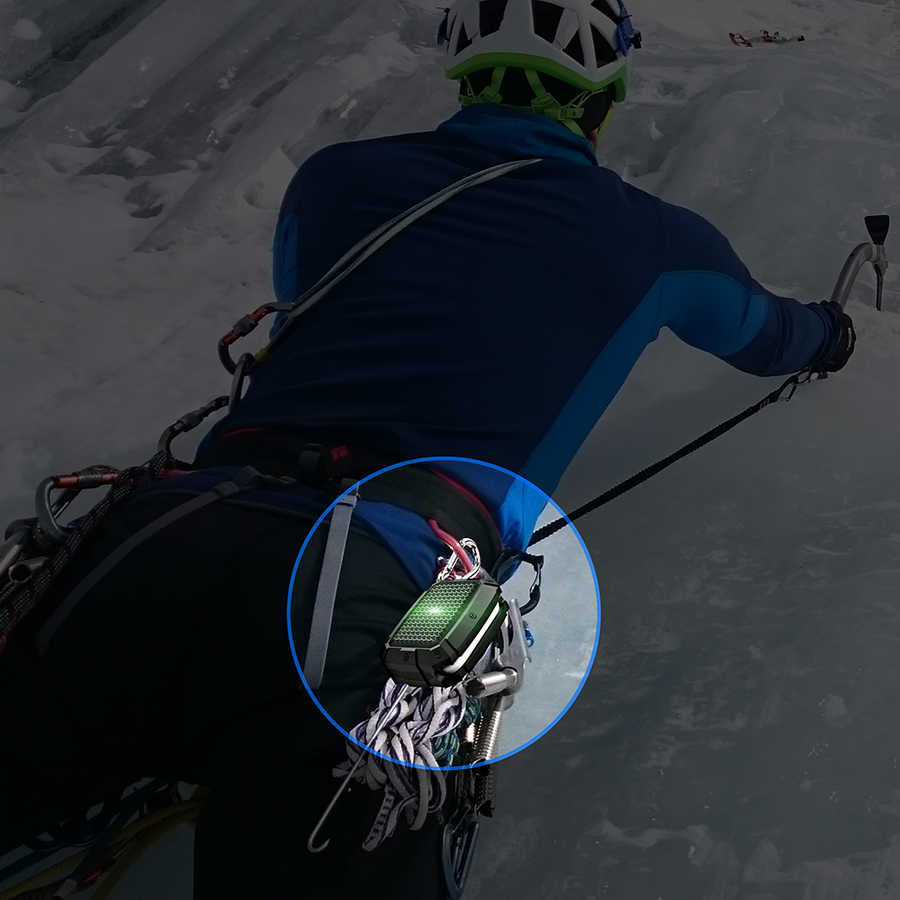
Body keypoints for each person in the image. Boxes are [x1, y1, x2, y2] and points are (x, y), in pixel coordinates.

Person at [0, 1, 854, 898]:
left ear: (463, 71)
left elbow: (309, 307)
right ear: (606, 96)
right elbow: (767, 336)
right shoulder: (660, 242)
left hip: (159, 534)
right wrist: (834, 335)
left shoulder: (336, 180)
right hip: (394, 581)